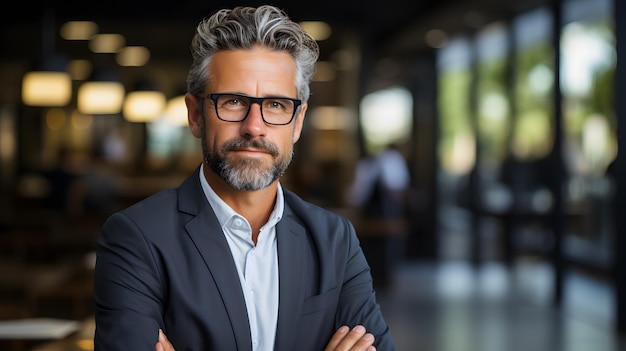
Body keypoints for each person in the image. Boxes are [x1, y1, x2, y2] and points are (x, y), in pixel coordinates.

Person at [93, 5, 397, 351]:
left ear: (297, 122)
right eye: (234, 101)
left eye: (277, 105)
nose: (254, 126)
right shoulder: (137, 238)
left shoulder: (334, 241)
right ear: (195, 115)